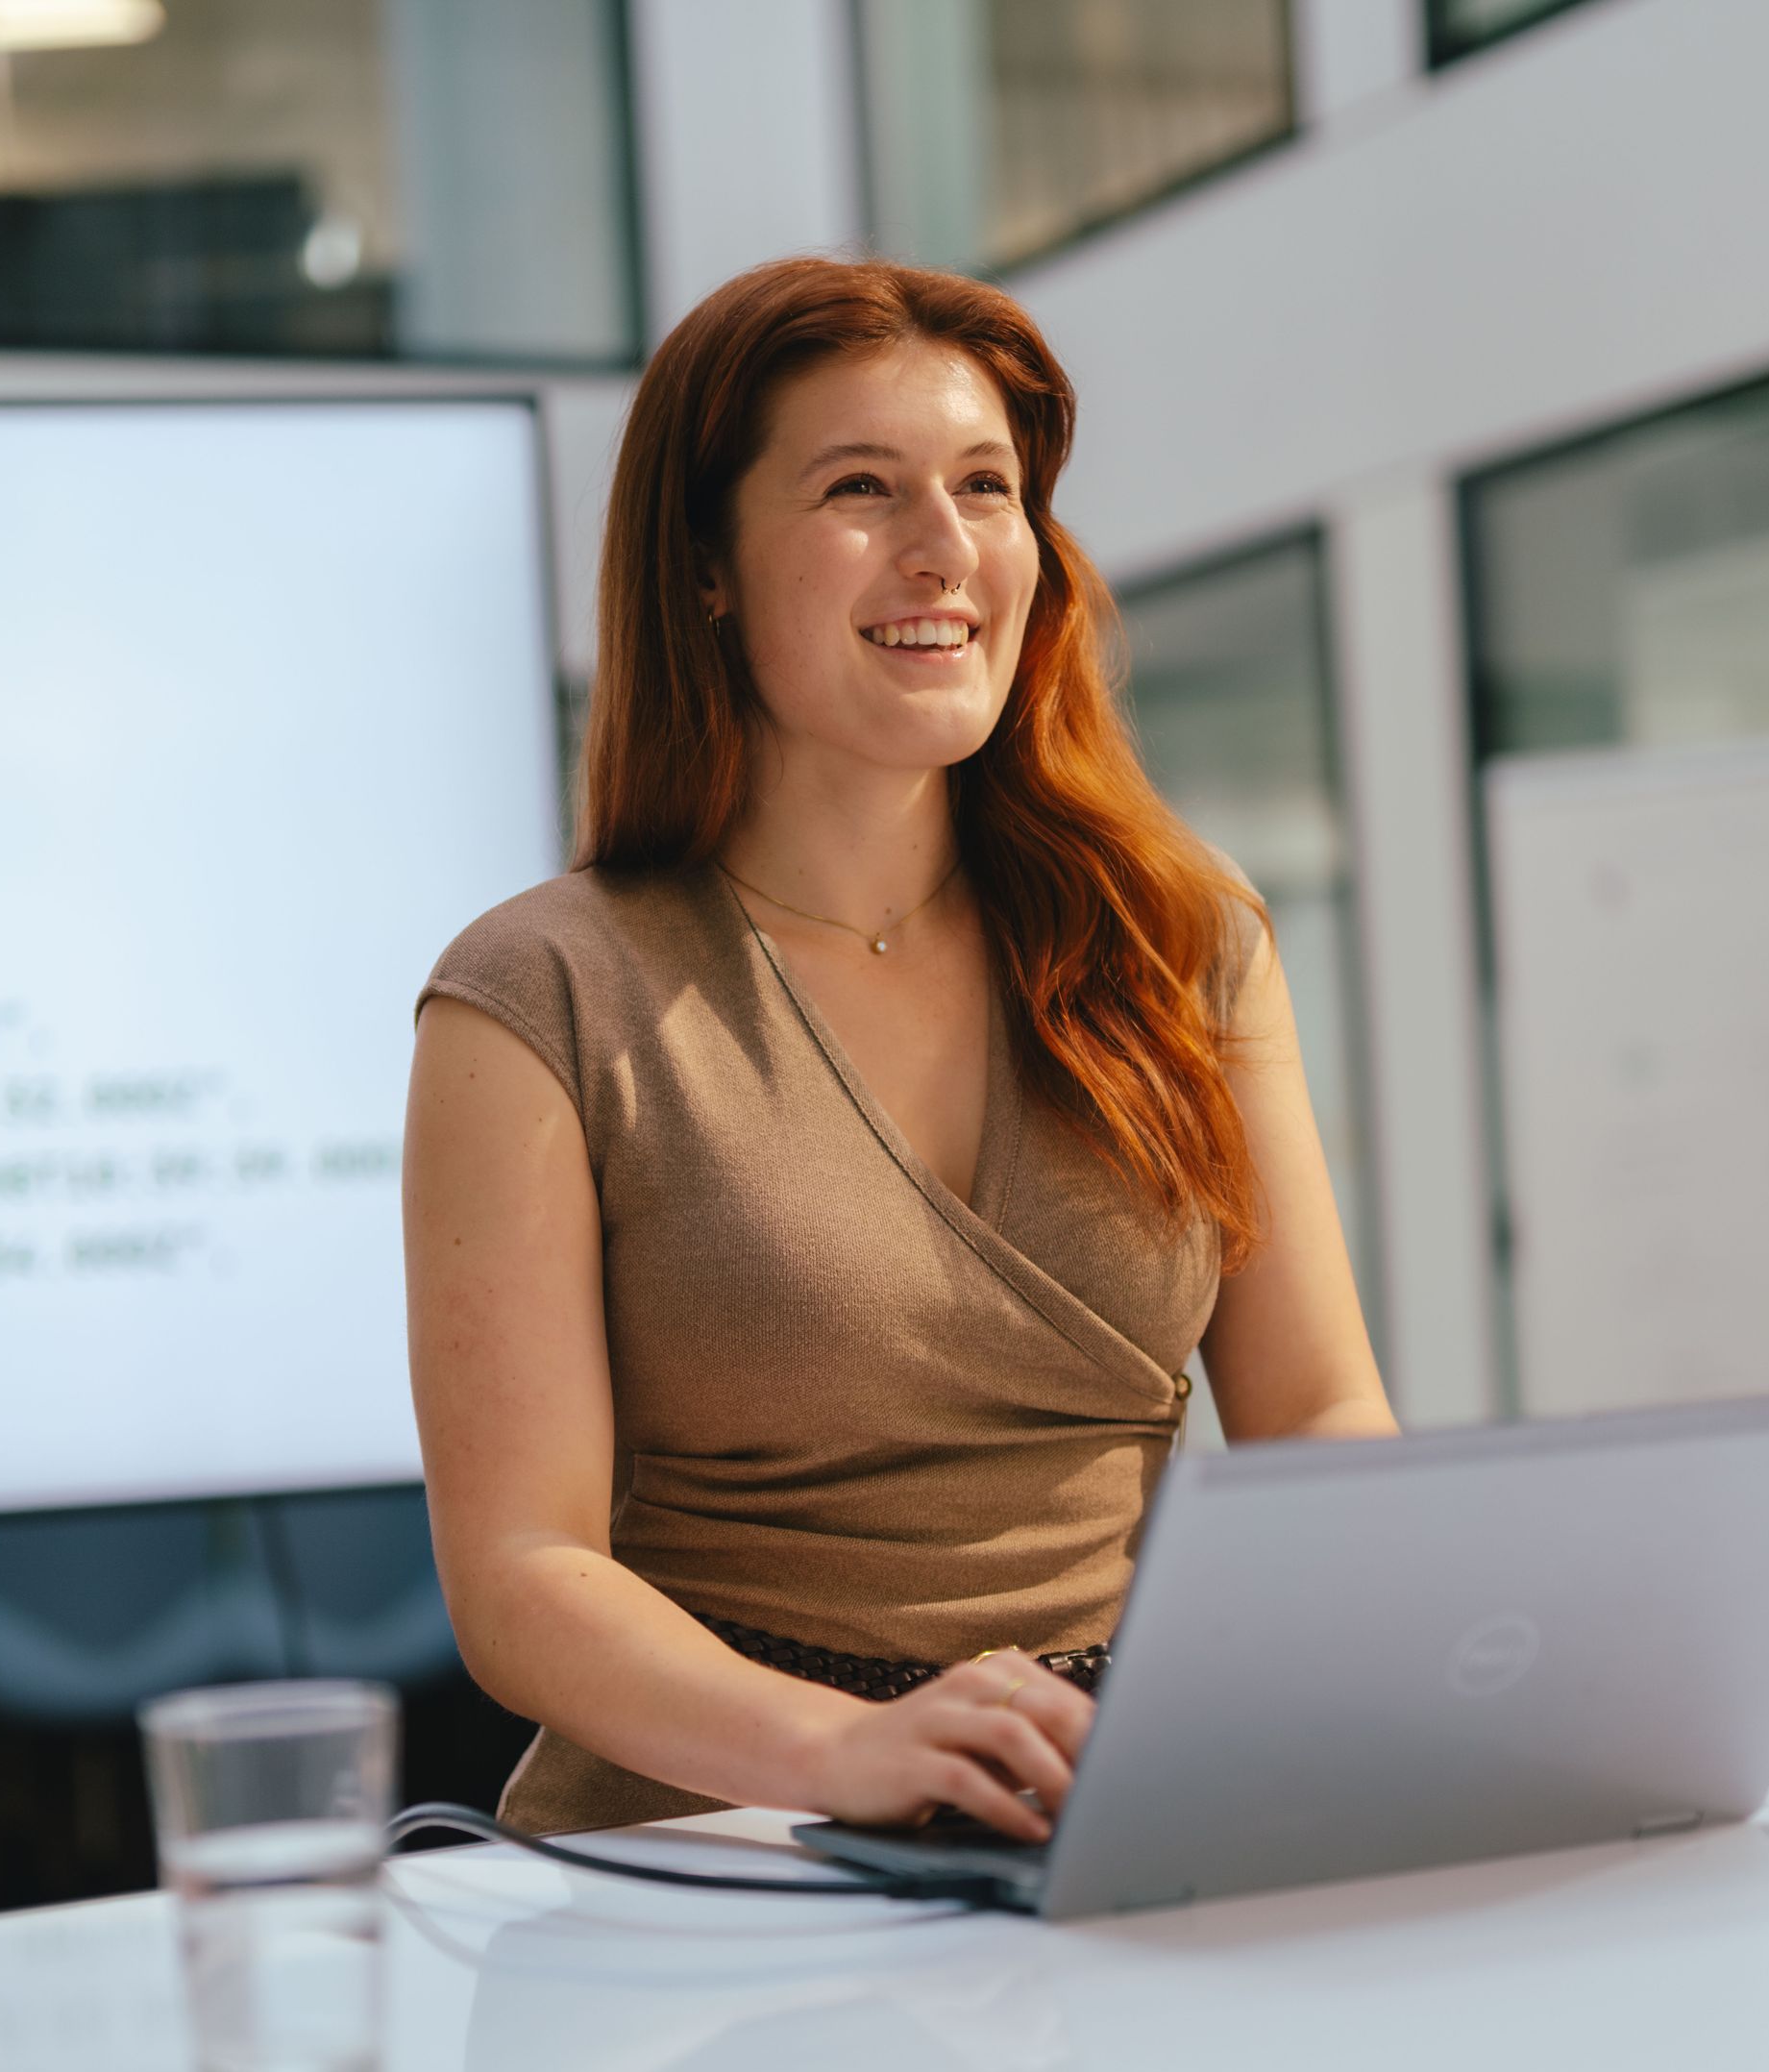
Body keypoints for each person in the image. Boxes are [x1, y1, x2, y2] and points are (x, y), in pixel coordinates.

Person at [405, 257, 1393, 1841]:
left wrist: (1428, 1657)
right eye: (862, 489)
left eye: (987, 487)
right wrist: (841, 1754)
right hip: (710, 1845)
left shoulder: (1185, 942)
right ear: (706, 567)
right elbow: (524, 1573)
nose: (946, 548)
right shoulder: (539, 994)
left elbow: (1323, 1415)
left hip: (1099, 1814)